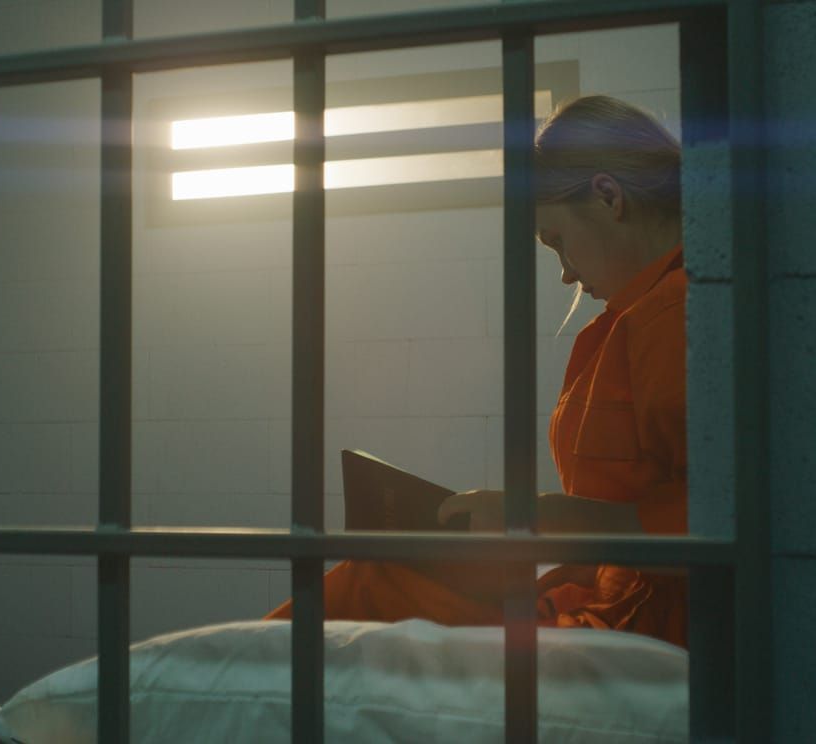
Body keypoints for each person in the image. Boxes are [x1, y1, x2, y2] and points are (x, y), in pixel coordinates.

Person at [267, 95, 688, 648]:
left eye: (557, 242)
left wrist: (535, 518)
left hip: (641, 625)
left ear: (609, 197)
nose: (564, 275)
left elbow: (709, 521)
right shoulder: (638, 315)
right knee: (375, 577)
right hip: (608, 603)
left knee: (365, 585)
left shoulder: (675, 313)